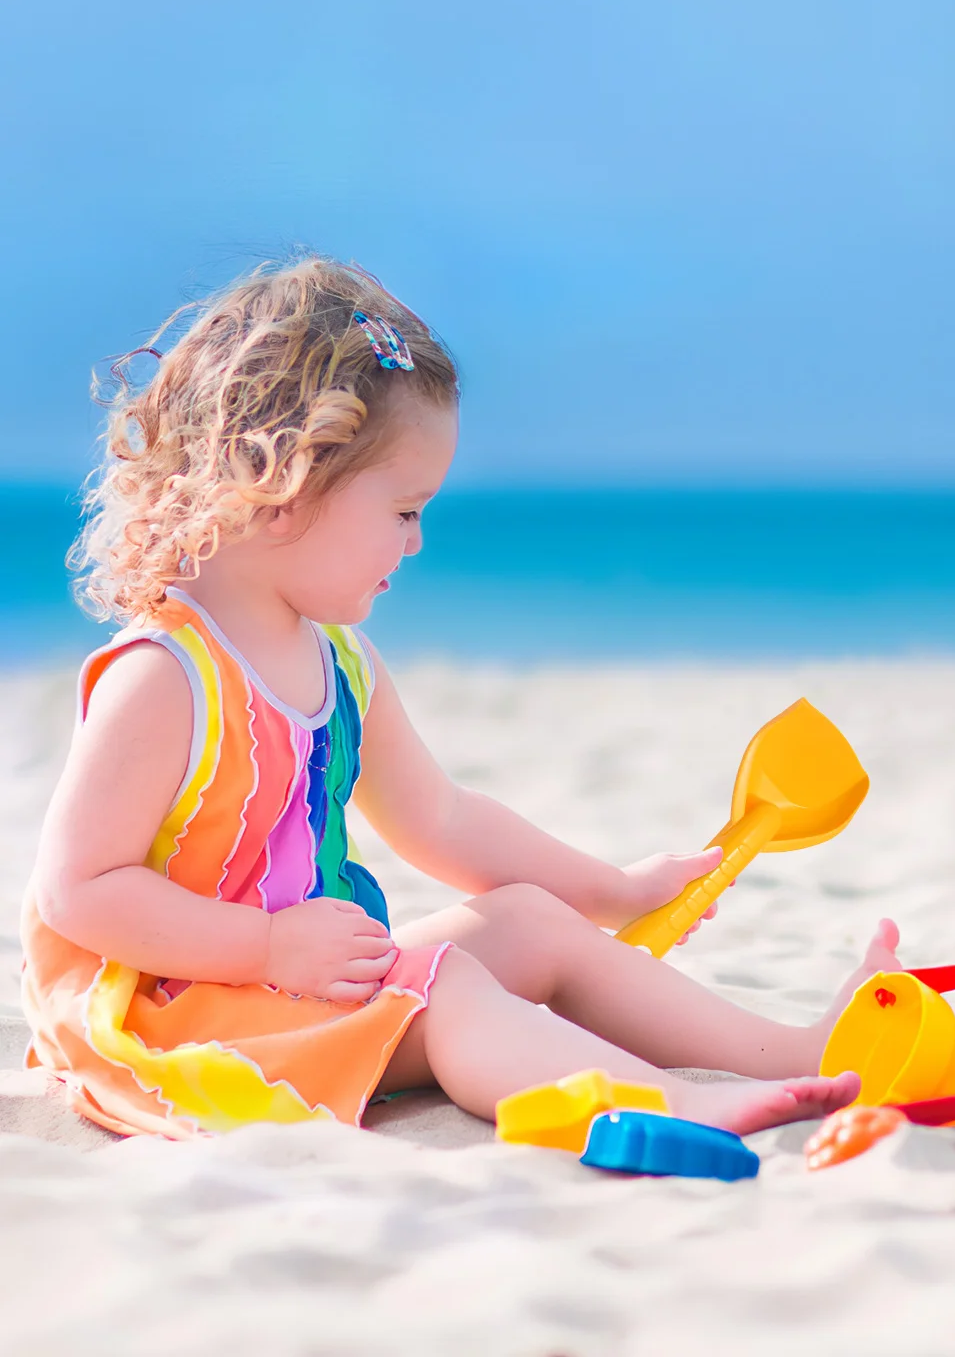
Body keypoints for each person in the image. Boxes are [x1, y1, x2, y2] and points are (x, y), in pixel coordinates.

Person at [23, 257, 895, 1140]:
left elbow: (439, 818)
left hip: (296, 991)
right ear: (285, 484)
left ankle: (792, 1054)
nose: (418, 539)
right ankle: (675, 1106)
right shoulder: (166, 677)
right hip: (185, 1024)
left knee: (528, 923)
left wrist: (614, 891)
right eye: (403, 509)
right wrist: (266, 948)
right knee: (445, 987)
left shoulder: (341, 662)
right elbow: (79, 889)